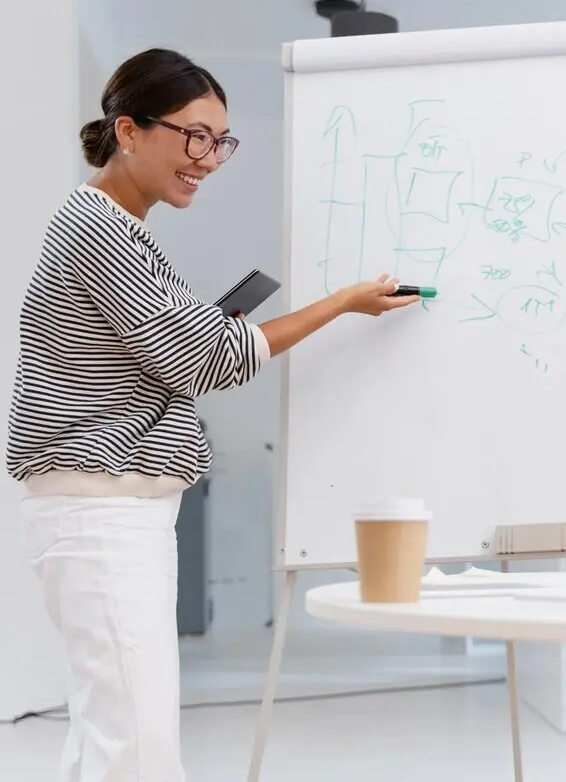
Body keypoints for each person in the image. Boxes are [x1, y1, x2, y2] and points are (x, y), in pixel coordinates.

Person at [8, 48, 420, 782]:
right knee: (135, 748)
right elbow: (207, 361)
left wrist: (211, 331)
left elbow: (187, 351)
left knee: (112, 733)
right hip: (99, 512)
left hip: (112, 512)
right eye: (194, 135)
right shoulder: (98, 230)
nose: (207, 158)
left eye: (220, 141)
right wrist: (343, 303)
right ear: (129, 132)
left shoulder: (122, 230)